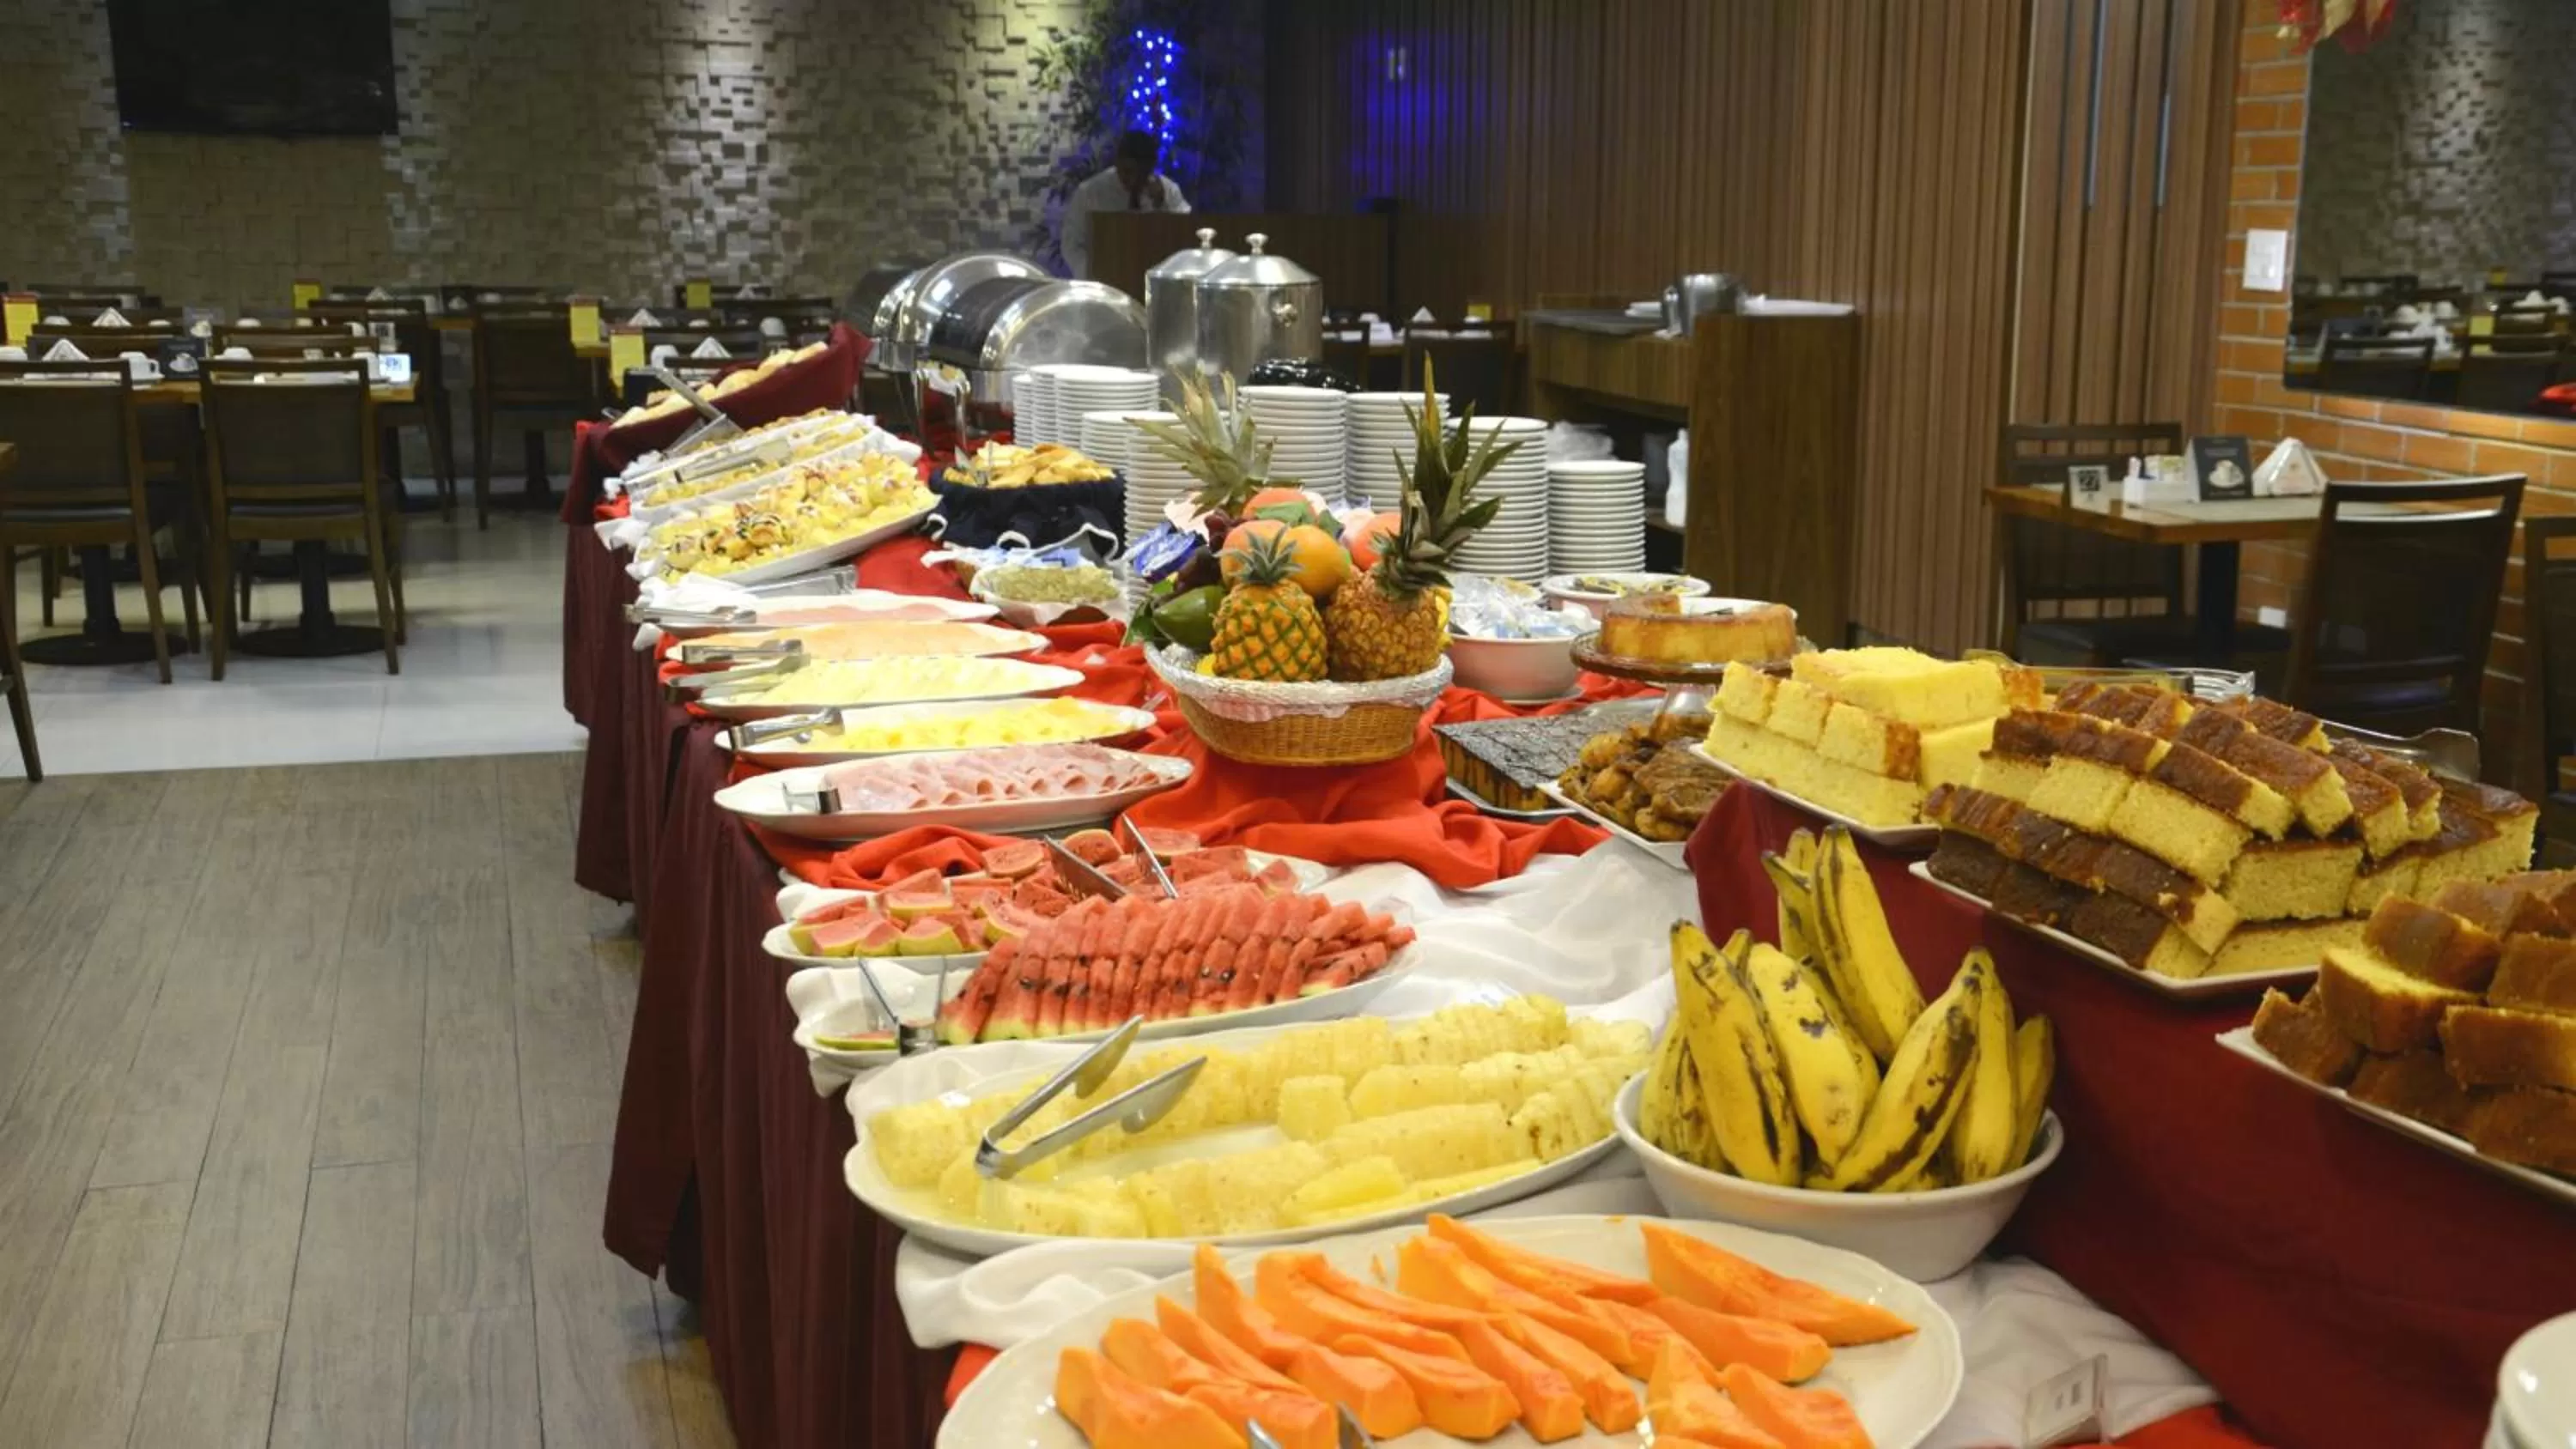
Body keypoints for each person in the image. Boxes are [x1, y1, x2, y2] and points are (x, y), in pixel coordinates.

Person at [1060, 129, 1190, 281]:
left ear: (1151, 168)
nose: (1133, 180)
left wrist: (1163, 205)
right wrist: (1092, 274)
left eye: (1141, 174)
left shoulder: (1168, 191)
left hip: (1154, 282)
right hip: (1102, 280)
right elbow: (1071, 243)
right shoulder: (1090, 193)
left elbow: (1185, 238)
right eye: (1127, 172)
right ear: (1117, 162)